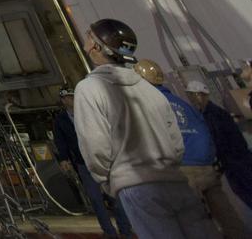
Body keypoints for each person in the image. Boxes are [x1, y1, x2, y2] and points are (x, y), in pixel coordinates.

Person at [73, 18, 218, 239]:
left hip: (137, 186)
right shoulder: (151, 90)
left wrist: (109, 179)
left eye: (89, 36)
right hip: (176, 182)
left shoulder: (89, 89)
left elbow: (95, 145)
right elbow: (176, 142)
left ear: (96, 46)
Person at [134, 61, 243, 235]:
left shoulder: (149, 106)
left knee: (195, 220)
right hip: (207, 166)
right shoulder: (182, 103)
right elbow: (203, 130)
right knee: (225, 213)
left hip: (185, 169)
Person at [53, 86, 133, 236]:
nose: (72, 99)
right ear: (63, 100)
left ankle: (125, 229)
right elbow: (60, 141)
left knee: (114, 197)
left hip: (102, 160)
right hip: (83, 163)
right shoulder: (61, 120)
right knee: (96, 200)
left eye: (73, 96)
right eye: (69, 97)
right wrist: (64, 159)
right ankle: (109, 232)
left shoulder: (91, 112)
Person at [188, 79, 252, 214]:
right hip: (235, 159)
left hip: (235, 160)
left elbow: (220, 140)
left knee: (245, 189)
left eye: (193, 95)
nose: (192, 99)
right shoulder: (210, 113)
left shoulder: (213, 115)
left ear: (200, 95)